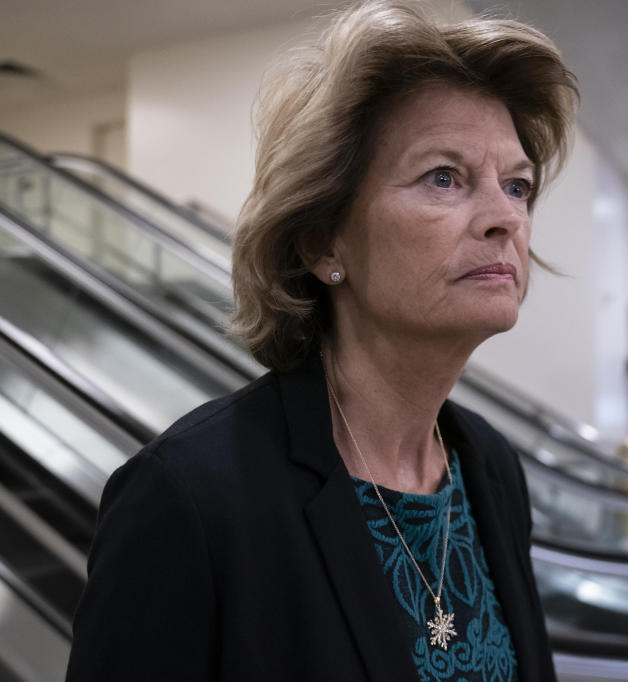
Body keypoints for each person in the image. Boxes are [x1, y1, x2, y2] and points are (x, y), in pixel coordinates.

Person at [66, 2, 577, 680]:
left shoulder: (488, 466)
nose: (503, 219)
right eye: (444, 177)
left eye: (517, 186)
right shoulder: (188, 497)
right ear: (321, 241)